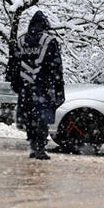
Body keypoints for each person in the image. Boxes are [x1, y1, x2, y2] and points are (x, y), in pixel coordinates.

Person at [7, 11, 65, 160]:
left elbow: (12, 66)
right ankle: (40, 147)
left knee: (29, 117)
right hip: (43, 87)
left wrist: (16, 84)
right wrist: (58, 89)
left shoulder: (20, 41)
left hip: (25, 87)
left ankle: (33, 146)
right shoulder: (49, 41)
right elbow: (56, 67)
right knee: (41, 118)